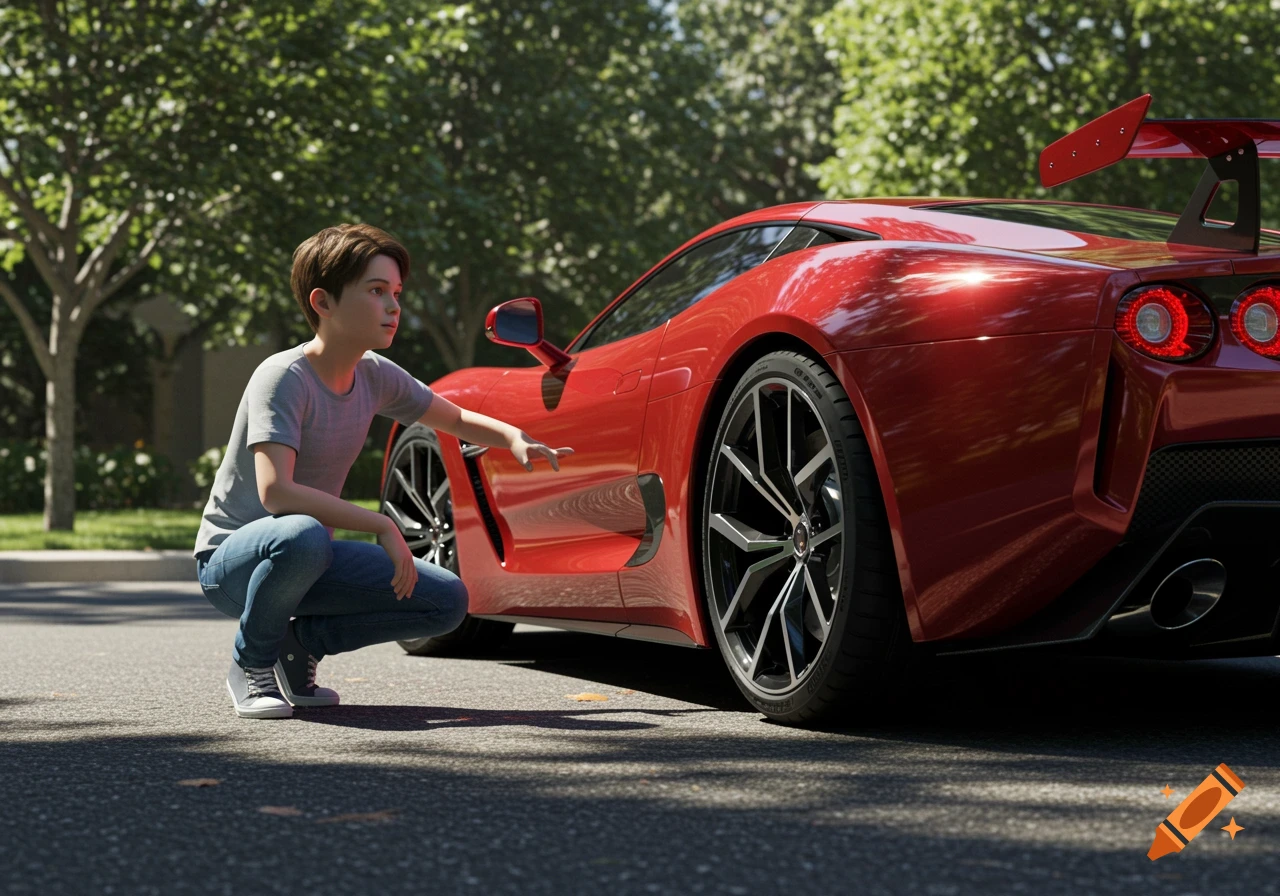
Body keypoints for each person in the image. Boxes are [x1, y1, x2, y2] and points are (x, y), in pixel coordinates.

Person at [192, 223, 573, 719]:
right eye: (376, 292)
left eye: (396, 292)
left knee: (446, 602)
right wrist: (380, 523)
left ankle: (300, 646)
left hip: (309, 557)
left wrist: (512, 437)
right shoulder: (282, 377)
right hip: (232, 563)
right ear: (323, 303)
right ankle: (251, 663)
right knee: (303, 534)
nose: (394, 306)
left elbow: (452, 417)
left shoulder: (373, 374)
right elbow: (276, 493)